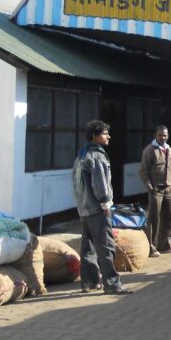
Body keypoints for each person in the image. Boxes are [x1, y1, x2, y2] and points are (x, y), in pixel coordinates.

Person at [72, 120, 132, 295]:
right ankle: (112, 284)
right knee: (106, 246)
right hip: (97, 209)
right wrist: (105, 203)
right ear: (95, 136)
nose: (109, 136)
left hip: (84, 209)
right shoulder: (97, 156)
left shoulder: (81, 155)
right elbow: (100, 184)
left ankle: (89, 282)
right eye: (105, 133)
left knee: (87, 247)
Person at [139, 124, 171, 256]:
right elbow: (143, 172)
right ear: (155, 136)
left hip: (169, 188)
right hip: (156, 189)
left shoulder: (169, 150)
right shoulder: (149, 150)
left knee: (168, 217)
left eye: (165, 135)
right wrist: (150, 187)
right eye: (160, 135)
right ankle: (151, 247)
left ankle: (165, 244)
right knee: (154, 218)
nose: (163, 137)